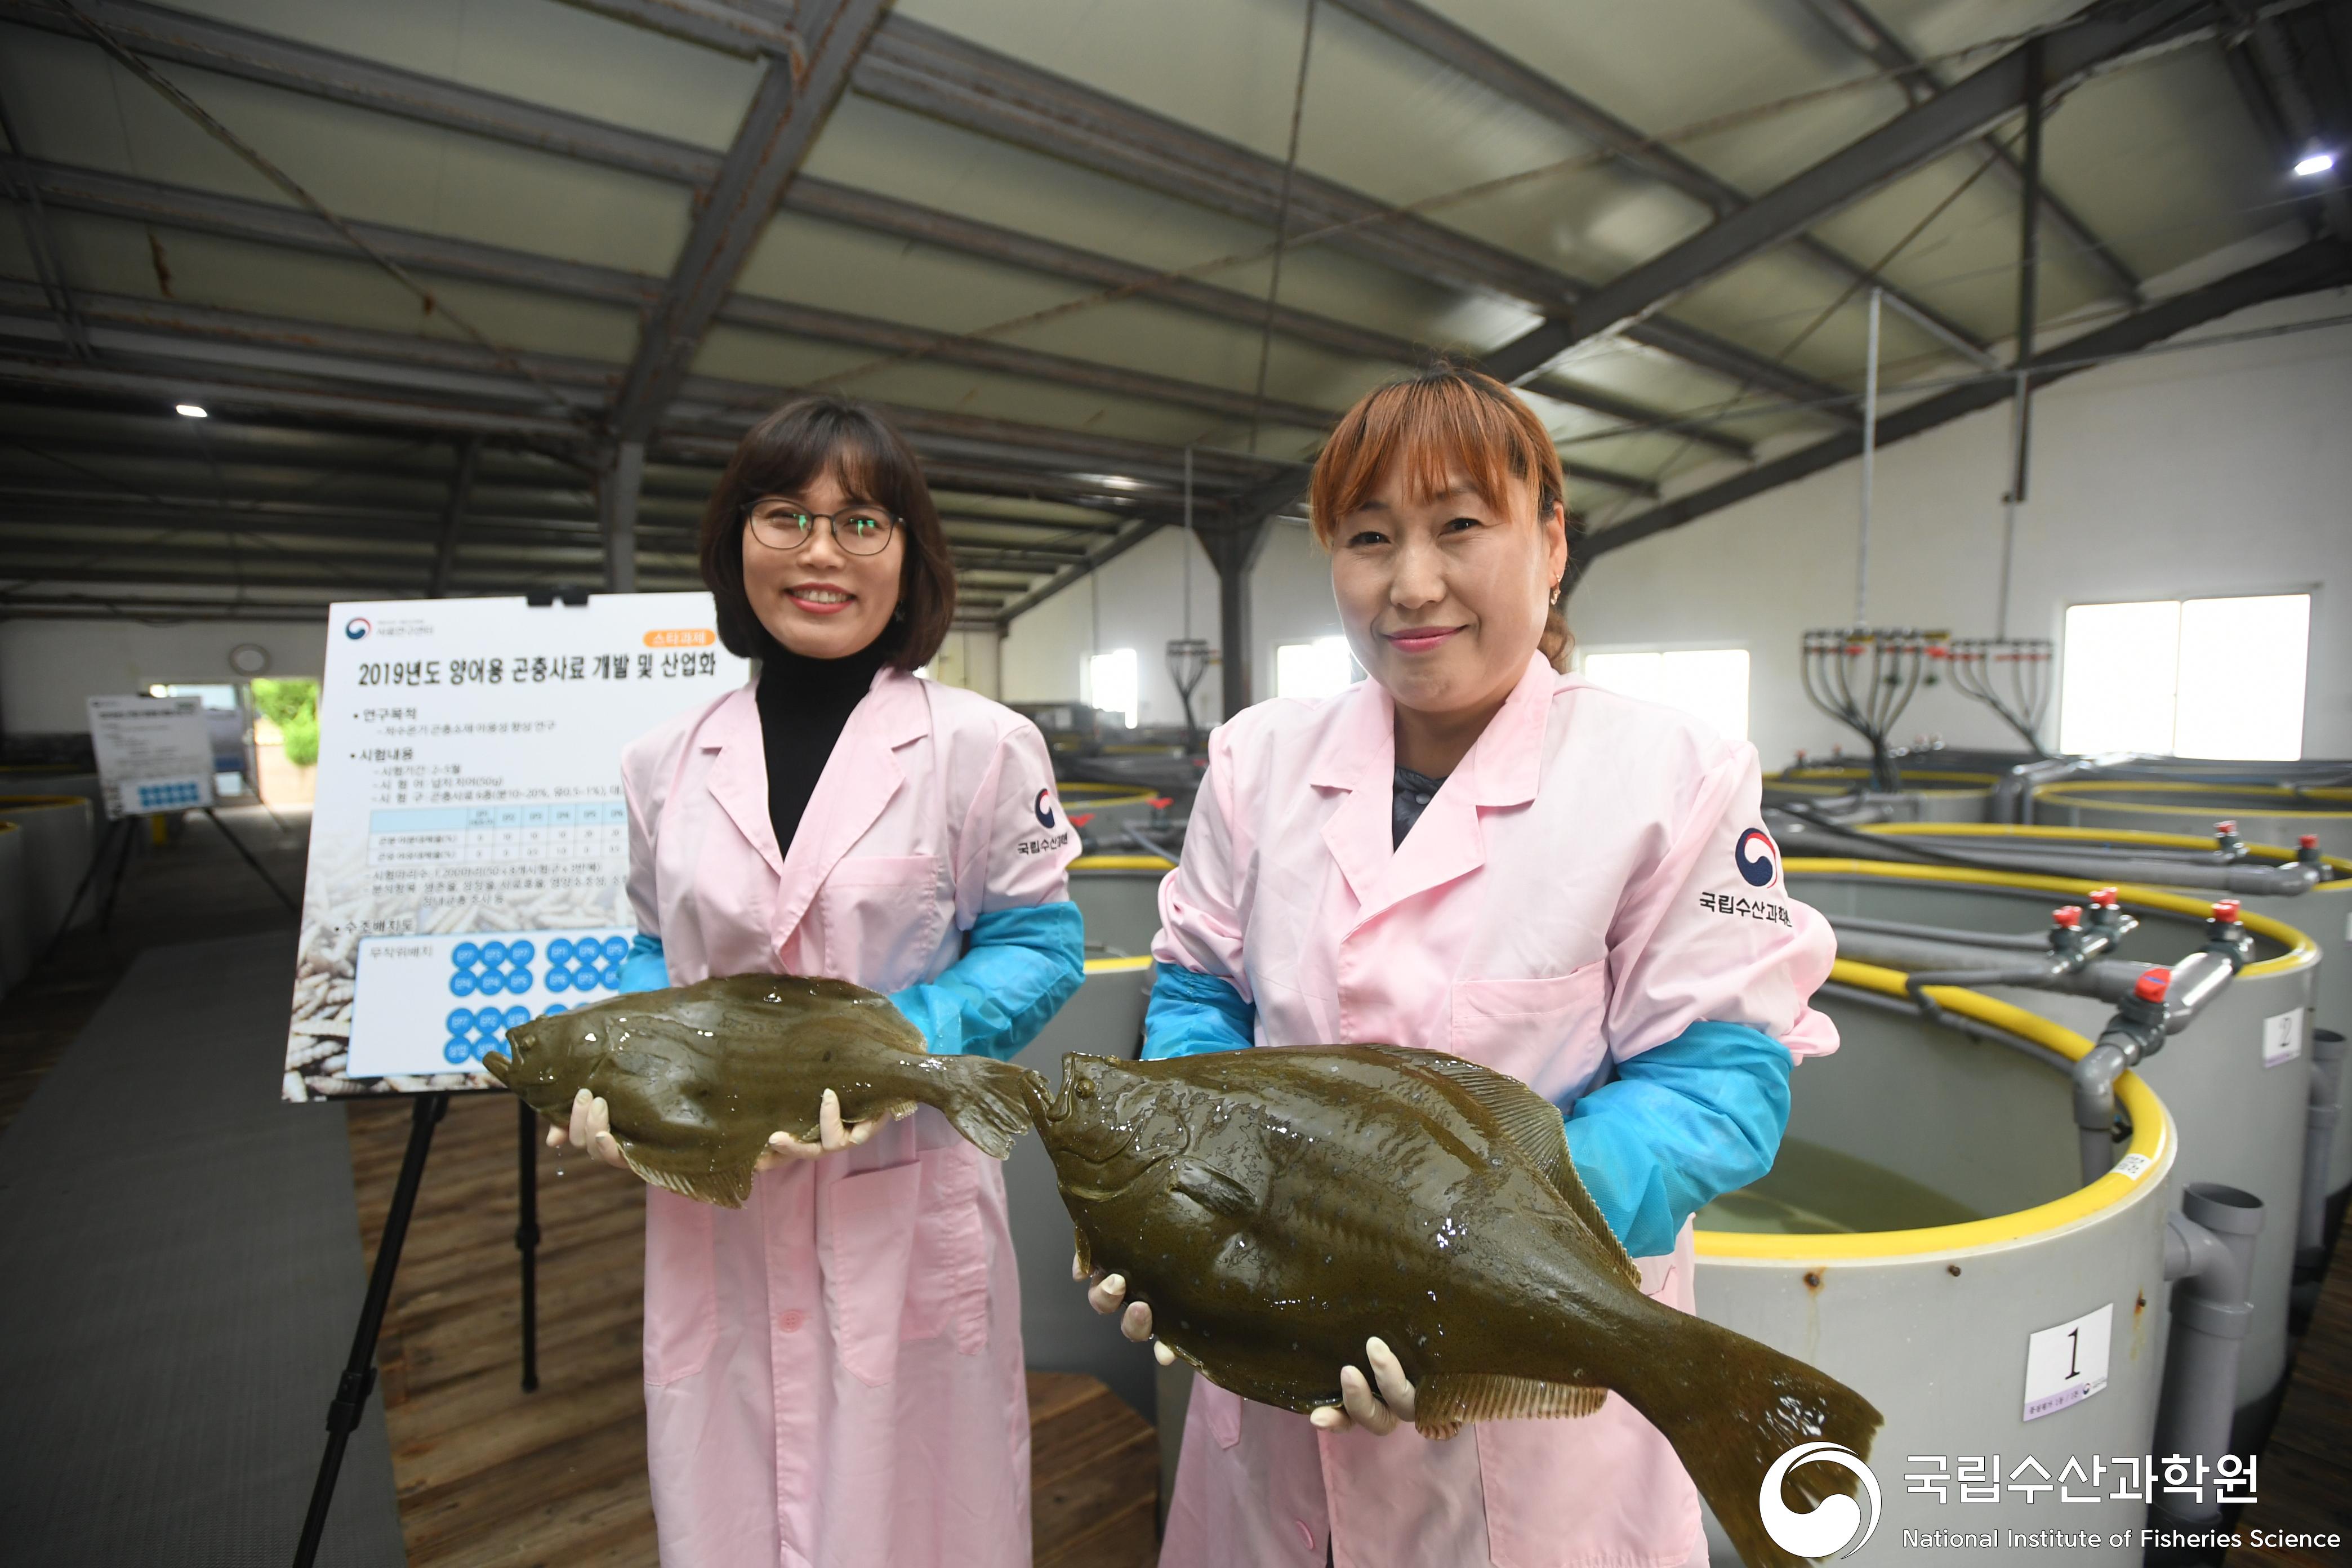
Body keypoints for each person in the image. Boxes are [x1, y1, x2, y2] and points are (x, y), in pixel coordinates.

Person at [1086, 366, 1837, 1567]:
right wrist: (1189, 1199)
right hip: (1278, 1385)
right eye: (1369, 537)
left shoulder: (1672, 774)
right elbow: (1200, 993)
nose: (1412, 583)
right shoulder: (1258, 758)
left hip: (1534, 1402)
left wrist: (1440, 1250)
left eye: (1459, 527)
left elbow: (1716, 1086)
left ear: (1549, 545)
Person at [552, 394, 1085, 1567]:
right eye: (786, 516)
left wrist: (891, 1044)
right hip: (713, 1199)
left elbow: (1042, 942)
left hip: (903, 1186)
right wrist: (633, 1069)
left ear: (910, 553)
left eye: (862, 523)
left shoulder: (980, 748)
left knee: (921, 1516)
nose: (821, 554)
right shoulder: (662, 762)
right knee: (731, 1505)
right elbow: (653, 947)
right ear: (736, 540)